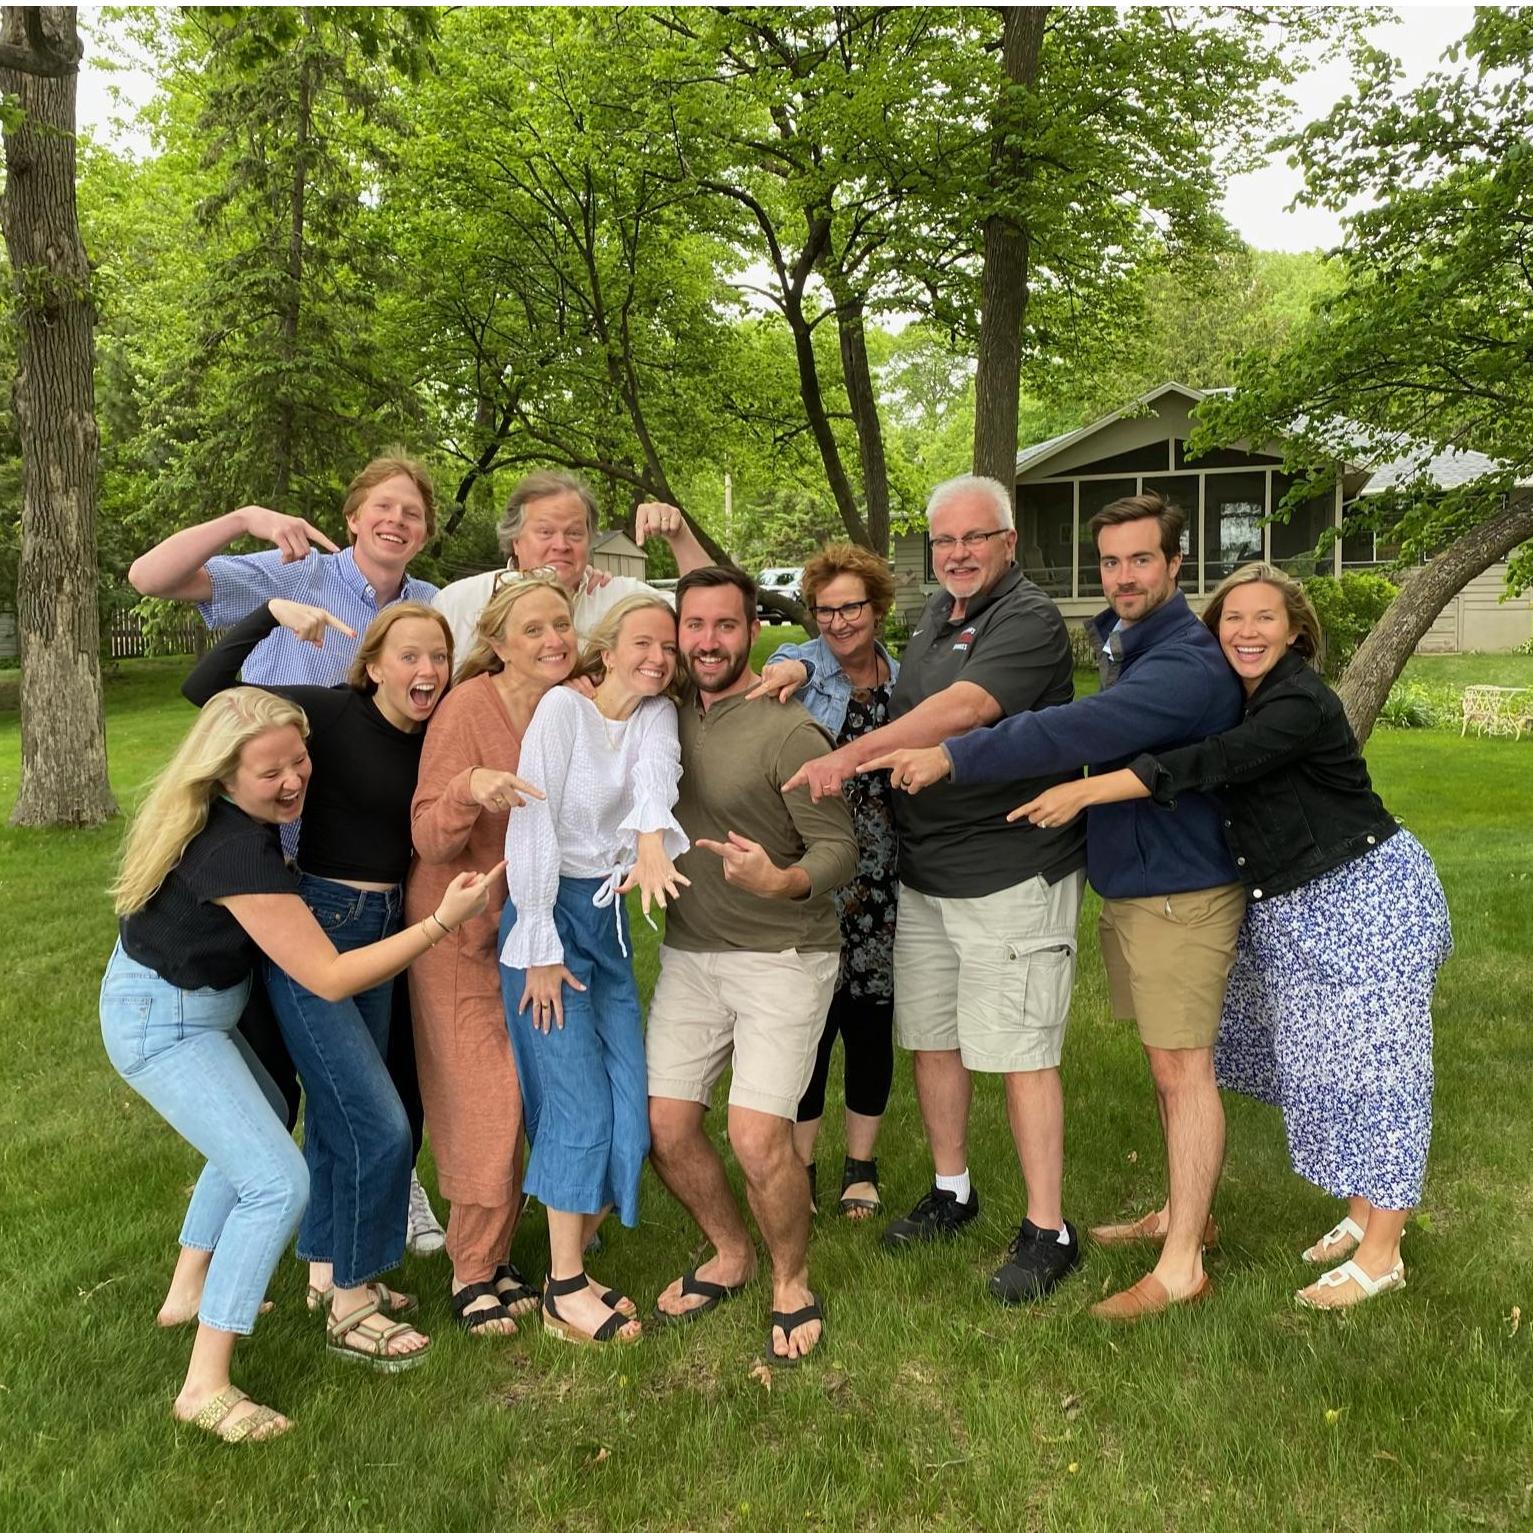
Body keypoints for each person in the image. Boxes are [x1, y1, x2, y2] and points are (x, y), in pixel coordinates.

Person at [1009, 563, 1453, 1310]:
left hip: (1366, 897)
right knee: (1330, 1065)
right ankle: (1357, 1214)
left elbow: (1209, 765)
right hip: (1296, 903)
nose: (1246, 631)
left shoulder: (1297, 702)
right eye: (1231, 618)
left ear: (1295, 630)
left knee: (1382, 1070)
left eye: (1264, 618)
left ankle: (1382, 1253)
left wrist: (1087, 787)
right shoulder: (1241, 697)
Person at [867, 491, 1246, 1321]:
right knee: (1166, 1070)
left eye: (1140, 558)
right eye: (1109, 560)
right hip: (1139, 886)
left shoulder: (1179, 660)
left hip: (1179, 890)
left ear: (1176, 564)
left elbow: (1070, 732)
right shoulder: (1125, 641)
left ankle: (1174, 1262)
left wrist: (954, 759)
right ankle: (1190, 1218)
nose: (1121, 575)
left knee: (1182, 1072)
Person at [101, 687, 501, 1441]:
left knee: (259, 1128)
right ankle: (204, 1384)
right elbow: (330, 976)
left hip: (192, 1007)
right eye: (269, 772)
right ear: (222, 776)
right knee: (277, 1181)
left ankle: (188, 1290)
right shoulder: (231, 851)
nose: (293, 780)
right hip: (164, 1025)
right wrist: (444, 920)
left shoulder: (232, 820)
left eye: (299, 760)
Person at [128, 453, 448, 1254]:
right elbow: (148, 577)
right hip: (269, 864)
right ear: (351, 515)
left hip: (369, 863)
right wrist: (248, 526)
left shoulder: (430, 610)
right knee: (275, 1078)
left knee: (375, 1065)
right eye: (382, 506)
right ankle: (243, 1241)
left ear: (426, 531)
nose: (396, 522)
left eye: (411, 513)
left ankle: (376, 1195)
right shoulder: (289, 568)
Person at [783, 475, 1087, 1307]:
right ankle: (952, 1188)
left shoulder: (1024, 619)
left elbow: (962, 708)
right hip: (927, 873)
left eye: (973, 538)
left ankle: (1047, 1228)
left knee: (1020, 1052)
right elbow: (856, 666)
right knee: (933, 1040)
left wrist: (846, 758)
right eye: (942, 541)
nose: (955, 554)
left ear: (1008, 540)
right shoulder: (934, 614)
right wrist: (788, 663)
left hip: (1010, 869)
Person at [180, 597, 469, 1357]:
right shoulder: (333, 715)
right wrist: (268, 616)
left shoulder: (438, 734)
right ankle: (353, 1303)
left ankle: (326, 1269)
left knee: (344, 1120)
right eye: (408, 654)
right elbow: (206, 691)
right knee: (379, 1124)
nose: (427, 669)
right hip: (323, 924)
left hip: (386, 928)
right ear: (372, 664)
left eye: (438, 655)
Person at [647, 567, 857, 1364]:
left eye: (724, 626)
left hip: (784, 954)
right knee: (665, 1127)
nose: (707, 641)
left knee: (756, 1135)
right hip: (692, 953)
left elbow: (841, 847)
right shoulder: (658, 712)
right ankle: (729, 1252)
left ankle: (790, 1280)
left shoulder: (788, 728)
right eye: (693, 625)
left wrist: (782, 877)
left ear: (752, 632)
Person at [498, 595, 690, 1345]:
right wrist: (541, 944)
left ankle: (566, 1250)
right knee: (576, 1099)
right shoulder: (560, 711)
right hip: (546, 921)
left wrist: (650, 844)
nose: (657, 657)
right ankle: (564, 1287)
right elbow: (532, 818)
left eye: (667, 647)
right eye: (642, 643)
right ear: (604, 650)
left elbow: (655, 775)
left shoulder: (655, 714)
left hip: (607, 924)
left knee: (627, 1100)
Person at [407, 573, 578, 1336]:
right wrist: (469, 786)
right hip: (459, 933)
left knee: (530, 1092)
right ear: (499, 642)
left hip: (538, 935)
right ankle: (471, 1268)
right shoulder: (465, 708)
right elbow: (428, 837)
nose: (552, 641)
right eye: (533, 629)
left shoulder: (573, 705)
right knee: (486, 1100)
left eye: (561, 625)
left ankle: (500, 1252)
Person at [747, 542, 901, 1221]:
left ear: (877, 605)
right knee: (809, 1018)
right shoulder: (803, 671)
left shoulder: (907, 677)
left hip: (887, 876)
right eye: (825, 609)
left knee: (870, 1018)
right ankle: (801, 1164)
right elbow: (776, 673)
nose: (839, 622)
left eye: (852, 607)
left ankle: (860, 1166)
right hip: (818, 865)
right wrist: (788, 664)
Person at [432, 470, 711, 665]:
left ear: (590, 541)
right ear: (515, 540)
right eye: (545, 532)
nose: (561, 545)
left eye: (575, 533)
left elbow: (711, 611)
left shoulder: (622, 600)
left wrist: (680, 537)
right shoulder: (460, 603)